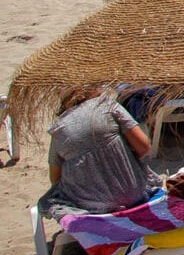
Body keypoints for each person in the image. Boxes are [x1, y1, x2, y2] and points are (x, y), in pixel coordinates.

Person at [37, 87, 160, 220]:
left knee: (49, 201)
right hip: (135, 196)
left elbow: (55, 179)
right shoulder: (108, 106)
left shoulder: (58, 130)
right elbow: (144, 147)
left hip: (92, 210)